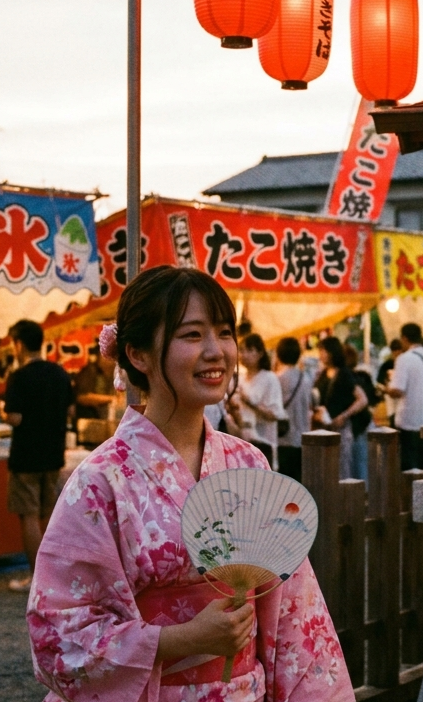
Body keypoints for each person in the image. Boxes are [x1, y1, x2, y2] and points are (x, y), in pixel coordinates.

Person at [27, 266, 352, 701]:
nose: (217, 351)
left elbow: (293, 609)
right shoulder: (99, 482)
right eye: (192, 335)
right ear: (138, 354)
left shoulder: (247, 463)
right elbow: (57, 636)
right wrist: (182, 639)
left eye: (223, 332)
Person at [1, 319, 73, 594]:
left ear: (19, 344)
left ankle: (37, 579)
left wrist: (6, 413)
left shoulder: (18, 377)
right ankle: (56, 577)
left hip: (26, 457)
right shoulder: (59, 373)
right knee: (51, 516)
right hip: (53, 455)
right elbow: (68, 411)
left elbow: (15, 418)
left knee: (29, 516)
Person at [386, 323, 423, 472]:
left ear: (404, 338)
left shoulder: (404, 359)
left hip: (408, 419)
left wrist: (387, 389)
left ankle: (408, 494)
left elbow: (397, 390)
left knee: (408, 465)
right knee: (421, 462)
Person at [315, 337, 368, 481]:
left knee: (342, 467)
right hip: (325, 426)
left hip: (341, 427)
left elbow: (362, 399)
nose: (320, 354)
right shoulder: (322, 374)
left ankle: (343, 500)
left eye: (323, 350)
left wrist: (344, 415)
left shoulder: (344, 374)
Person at [233, 333, 286, 468]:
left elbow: (274, 415)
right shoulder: (240, 378)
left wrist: (250, 403)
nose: (243, 354)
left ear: (260, 353)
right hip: (241, 445)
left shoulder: (270, 378)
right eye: (242, 350)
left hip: (264, 445)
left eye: (249, 350)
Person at [275, 336, 312, 481]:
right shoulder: (306, 378)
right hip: (302, 437)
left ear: (278, 355)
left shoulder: (277, 379)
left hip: (284, 438)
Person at [343, 344, 379, 481]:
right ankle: (365, 494)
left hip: (356, 426)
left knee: (357, 464)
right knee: (363, 463)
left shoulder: (347, 378)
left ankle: (362, 496)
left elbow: (363, 400)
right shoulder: (363, 376)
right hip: (365, 423)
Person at [74, 344, 117, 421]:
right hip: (88, 420)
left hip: (107, 420)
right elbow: (82, 397)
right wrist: (111, 399)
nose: (107, 359)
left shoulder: (116, 375)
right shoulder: (90, 370)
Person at [376, 340, 402, 429]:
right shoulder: (386, 365)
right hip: (391, 403)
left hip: (401, 404)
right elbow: (379, 382)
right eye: (395, 354)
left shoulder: (403, 365)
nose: (397, 356)